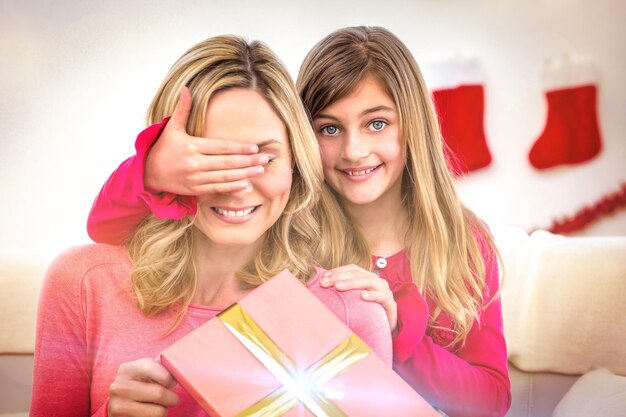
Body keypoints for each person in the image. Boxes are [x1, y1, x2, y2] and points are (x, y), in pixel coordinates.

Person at [85, 26, 511, 417]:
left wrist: (399, 331)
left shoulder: (464, 243)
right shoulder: (287, 229)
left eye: (377, 123)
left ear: (413, 127)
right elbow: (108, 229)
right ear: (301, 139)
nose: (354, 151)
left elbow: (491, 402)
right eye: (329, 129)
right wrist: (151, 169)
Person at [30, 35, 393, 417]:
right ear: (167, 164)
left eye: (264, 158)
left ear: (295, 164)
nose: (237, 187)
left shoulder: (350, 313)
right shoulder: (82, 285)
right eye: (210, 159)